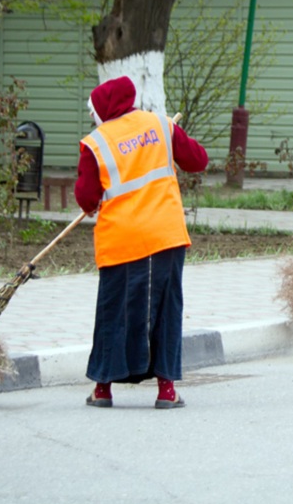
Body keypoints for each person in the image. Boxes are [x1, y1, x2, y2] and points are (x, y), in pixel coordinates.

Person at [75, 76, 208, 408]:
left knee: (113, 311)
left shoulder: (95, 142)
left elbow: (87, 198)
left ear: (103, 109)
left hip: (121, 239)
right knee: (165, 309)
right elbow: (198, 161)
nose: (93, 118)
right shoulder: (161, 126)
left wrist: (93, 201)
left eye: (92, 112)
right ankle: (166, 391)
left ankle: (103, 389)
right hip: (165, 235)